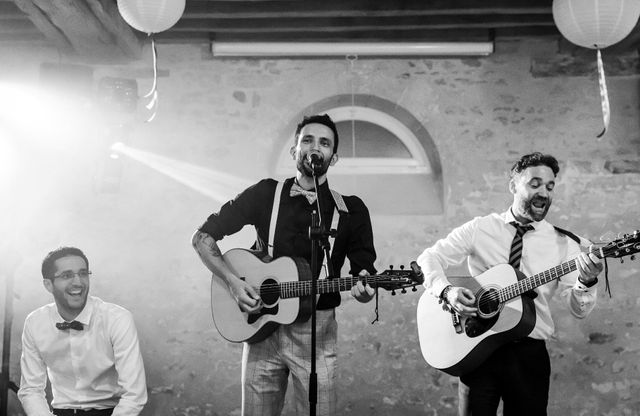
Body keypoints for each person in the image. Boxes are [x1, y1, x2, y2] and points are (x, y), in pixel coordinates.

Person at [191, 113, 377, 416]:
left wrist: (366, 289)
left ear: (334, 157)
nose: (315, 148)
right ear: (294, 151)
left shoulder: (352, 210)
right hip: (262, 330)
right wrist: (234, 284)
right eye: (307, 140)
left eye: (324, 143)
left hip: (317, 332)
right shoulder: (265, 193)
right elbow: (202, 237)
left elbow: (363, 274)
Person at [417, 152, 603, 416]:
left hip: (529, 356)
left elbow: (579, 310)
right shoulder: (481, 228)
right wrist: (446, 291)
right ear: (513, 186)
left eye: (550, 187)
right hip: (478, 348)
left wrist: (587, 279)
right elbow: (428, 257)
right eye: (535, 184)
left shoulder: (566, 244)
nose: (544, 193)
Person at [18, 246, 147, 416]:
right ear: (48, 285)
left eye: (83, 273)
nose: (78, 282)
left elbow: (134, 395)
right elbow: (30, 390)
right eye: (67, 275)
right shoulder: (35, 322)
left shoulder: (117, 319)